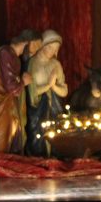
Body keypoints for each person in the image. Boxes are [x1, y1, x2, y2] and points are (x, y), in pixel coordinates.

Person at [0, 29, 41, 154]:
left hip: (9, 107)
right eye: (36, 46)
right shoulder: (5, 53)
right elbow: (11, 88)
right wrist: (23, 82)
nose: (36, 52)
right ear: (28, 43)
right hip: (1, 108)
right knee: (0, 146)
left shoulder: (13, 56)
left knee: (13, 142)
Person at [25, 29, 69, 157]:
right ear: (43, 46)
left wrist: (54, 86)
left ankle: (54, 155)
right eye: (50, 48)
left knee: (55, 133)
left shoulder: (56, 64)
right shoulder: (32, 63)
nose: (53, 52)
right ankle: (38, 155)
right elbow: (31, 92)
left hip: (54, 108)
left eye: (56, 49)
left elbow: (64, 91)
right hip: (36, 108)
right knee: (37, 135)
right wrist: (48, 86)